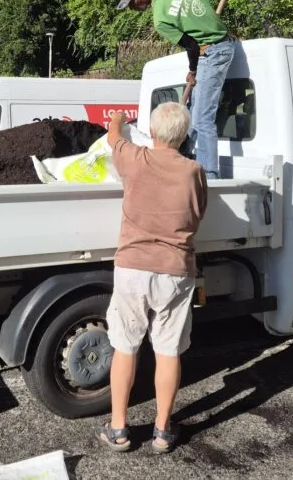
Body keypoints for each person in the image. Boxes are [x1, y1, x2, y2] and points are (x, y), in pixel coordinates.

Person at [94, 103, 208, 454]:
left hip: (132, 268)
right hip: (175, 272)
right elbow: (199, 212)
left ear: (154, 133)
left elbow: (113, 139)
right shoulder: (193, 171)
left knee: (126, 346)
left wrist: (117, 120)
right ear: (185, 136)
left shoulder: (136, 159)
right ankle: (162, 431)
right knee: (168, 350)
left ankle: (118, 430)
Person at [117, 0, 237, 179]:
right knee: (190, 114)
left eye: (133, 1)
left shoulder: (160, 19)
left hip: (215, 51)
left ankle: (208, 176)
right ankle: (181, 163)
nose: (133, 7)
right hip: (212, 48)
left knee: (203, 118)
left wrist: (192, 71)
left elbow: (191, 45)